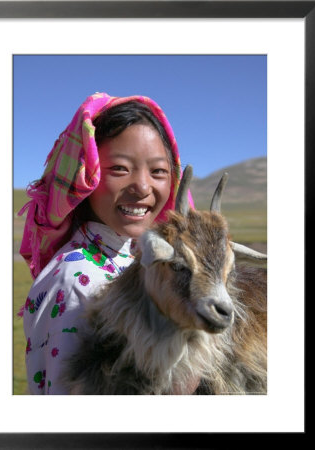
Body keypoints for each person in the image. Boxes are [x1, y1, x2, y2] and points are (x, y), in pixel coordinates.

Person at [19, 92, 193, 394]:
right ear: (85, 175)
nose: (142, 186)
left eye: (159, 171)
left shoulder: (138, 259)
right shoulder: (79, 282)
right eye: (119, 169)